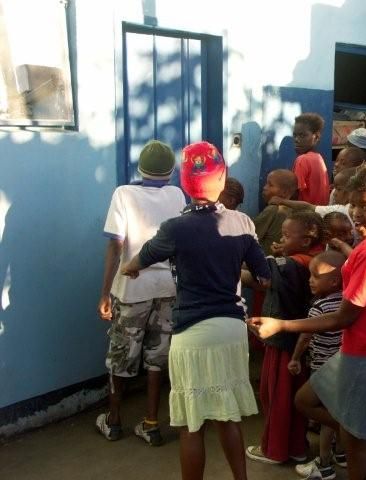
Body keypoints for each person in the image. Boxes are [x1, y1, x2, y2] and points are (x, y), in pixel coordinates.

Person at [249, 165, 366, 480]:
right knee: (306, 400)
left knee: (354, 441)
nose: (357, 215)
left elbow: (343, 317)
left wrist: (281, 326)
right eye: (353, 205)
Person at [120, 141, 270, 480]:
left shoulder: (175, 228)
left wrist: (129, 267)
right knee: (227, 418)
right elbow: (264, 277)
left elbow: (140, 259)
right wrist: (230, 270)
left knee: (192, 423)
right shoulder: (243, 222)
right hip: (232, 329)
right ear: (222, 180)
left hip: (193, 331)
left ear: (185, 184)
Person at [96, 139, 186, 445]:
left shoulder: (123, 193)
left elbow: (116, 244)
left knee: (122, 354)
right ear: (172, 171)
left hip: (133, 288)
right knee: (156, 356)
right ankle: (150, 423)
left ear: (140, 167)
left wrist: (105, 291)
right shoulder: (177, 194)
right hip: (169, 288)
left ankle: (114, 419)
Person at [244, 211, 325, 465]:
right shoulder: (316, 258)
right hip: (301, 339)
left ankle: (275, 450)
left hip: (283, 340)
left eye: (287, 236)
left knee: (277, 396)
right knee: (293, 397)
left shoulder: (291, 265)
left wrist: (226, 264)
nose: (281, 239)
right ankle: (296, 447)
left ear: (306, 239)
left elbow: (260, 279)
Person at [289, 250, 348, 480]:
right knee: (340, 410)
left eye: (315, 276)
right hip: (344, 366)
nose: (309, 280)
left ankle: (323, 465)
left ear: (333, 280)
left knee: (327, 418)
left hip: (323, 368)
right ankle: (341, 454)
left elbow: (305, 336)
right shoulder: (348, 301)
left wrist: (295, 358)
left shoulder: (319, 308)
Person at [254, 169, 298, 255]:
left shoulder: (273, 210)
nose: (265, 187)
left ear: (284, 192)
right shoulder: (292, 210)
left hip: (264, 259)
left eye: (270, 185)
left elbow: (250, 235)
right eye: (266, 183)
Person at [292, 112, 330, 205]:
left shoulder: (302, 160)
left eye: (302, 135)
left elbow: (295, 193)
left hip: (305, 215)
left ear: (316, 136)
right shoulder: (318, 158)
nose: (296, 139)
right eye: (295, 135)